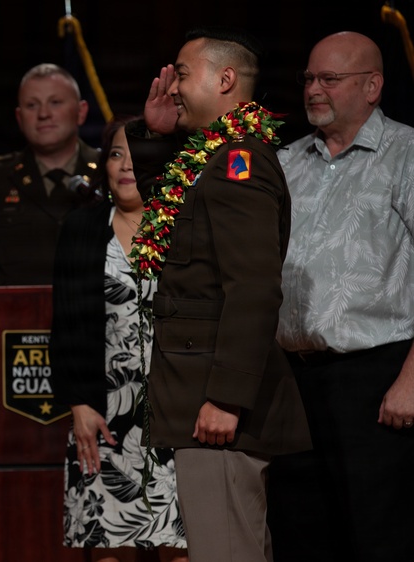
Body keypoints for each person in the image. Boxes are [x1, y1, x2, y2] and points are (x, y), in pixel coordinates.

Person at [125, 27, 311, 562]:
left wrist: (227, 396)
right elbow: (172, 217)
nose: (173, 87)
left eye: (182, 73)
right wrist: (155, 136)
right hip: (197, 392)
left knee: (228, 551)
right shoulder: (210, 156)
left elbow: (252, 286)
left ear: (225, 78)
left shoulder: (238, 163)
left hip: (218, 402)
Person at [266, 31, 414, 562]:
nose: (313, 89)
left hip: (376, 379)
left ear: (372, 86)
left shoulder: (407, 154)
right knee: (301, 535)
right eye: (309, 77)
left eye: (330, 78)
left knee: (379, 537)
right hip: (292, 381)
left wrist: (412, 380)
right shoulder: (285, 162)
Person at [50, 117, 188, 562]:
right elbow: (66, 324)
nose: (126, 166)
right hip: (102, 413)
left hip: (176, 412)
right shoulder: (82, 228)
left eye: (137, 155)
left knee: (181, 543)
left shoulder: (185, 226)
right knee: (109, 547)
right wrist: (80, 404)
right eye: (115, 154)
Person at [0, 62, 101, 287]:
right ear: (19, 117)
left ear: (81, 112)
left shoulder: (112, 174)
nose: (44, 114)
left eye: (55, 102)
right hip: (10, 320)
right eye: (31, 105)